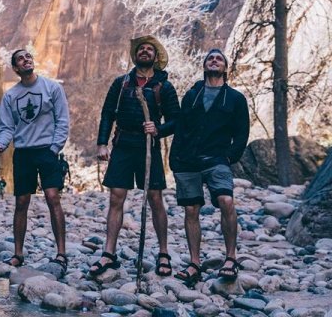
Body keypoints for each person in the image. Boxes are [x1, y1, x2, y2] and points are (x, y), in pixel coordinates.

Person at [89, 35, 180, 278]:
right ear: (136, 55)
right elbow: (108, 113)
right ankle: (109, 253)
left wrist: (158, 129)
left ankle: (163, 253)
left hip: (149, 146)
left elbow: (176, 120)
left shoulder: (164, 87)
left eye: (150, 49)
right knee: (116, 197)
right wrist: (102, 143)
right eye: (141, 49)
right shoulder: (121, 84)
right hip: (123, 145)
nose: (145, 51)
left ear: (155, 56)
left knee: (155, 198)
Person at [169, 48, 249, 286]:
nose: (214, 61)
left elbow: (242, 133)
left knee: (226, 201)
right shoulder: (192, 95)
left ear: (225, 68)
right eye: (210, 58)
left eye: (219, 59)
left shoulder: (235, 98)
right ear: (204, 66)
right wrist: (174, 157)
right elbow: (180, 127)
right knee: (191, 210)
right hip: (188, 160)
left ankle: (230, 259)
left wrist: (230, 157)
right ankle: (194, 264)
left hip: (217, 160)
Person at [0, 49, 70, 276]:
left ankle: (61, 253)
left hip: (47, 150)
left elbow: (62, 120)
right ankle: (18, 253)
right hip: (23, 152)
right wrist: (0, 144)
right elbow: (7, 127)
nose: (26, 60)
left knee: (53, 197)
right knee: (21, 201)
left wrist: (54, 148)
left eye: (28, 57)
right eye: (20, 59)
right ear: (16, 68)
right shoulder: (10, 96)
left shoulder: (52, 88)